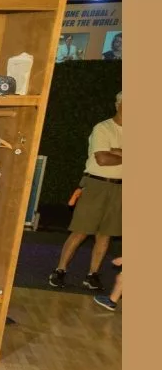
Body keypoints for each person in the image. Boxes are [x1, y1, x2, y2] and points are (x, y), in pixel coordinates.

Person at [49, 91, 122, 290]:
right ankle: (60, 270)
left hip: (121, 188)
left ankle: (92, 275)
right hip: (96, 184)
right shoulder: (103, 128)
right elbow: (102, 159)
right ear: (118, 105)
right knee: (81, 230)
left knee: (105, 234)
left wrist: (116, 151)